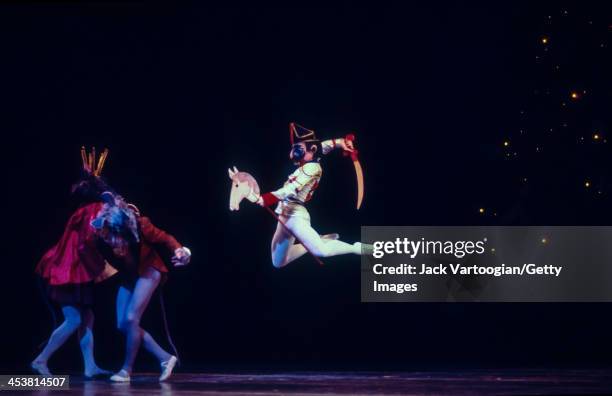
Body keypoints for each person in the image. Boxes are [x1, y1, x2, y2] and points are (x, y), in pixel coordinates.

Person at [89, 192, 191, 382]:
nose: (110, 241)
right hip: (129, 277)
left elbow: (165, 238)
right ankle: (165, 358)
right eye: (107, 236)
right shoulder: (102, 234)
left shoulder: (141, 225)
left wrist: (181, 250)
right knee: (122, 324)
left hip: (150, 270)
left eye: (114, 237)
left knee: (131, 318)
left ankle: (126, 370)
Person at [32, 147, 113, 378]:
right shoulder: (92, 211)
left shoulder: (87, 209)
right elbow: (85, 242)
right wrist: (101, 266)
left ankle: (90, 366)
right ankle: (40, 360)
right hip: (65, 270)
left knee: (87, 317)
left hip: (74, 269)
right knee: (74, 318)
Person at [256, 123, 367, 268]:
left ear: (311, 150)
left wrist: (265, 198)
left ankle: (356, 248)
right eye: (294, 148)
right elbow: (322, 146)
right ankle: (315, 240)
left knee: (323, 251)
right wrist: (341, 142)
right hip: (284, 211)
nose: (294, 153)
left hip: (295, 215)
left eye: (299, 149)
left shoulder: (312, 168)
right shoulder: (310, 155)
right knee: (278, 262)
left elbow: (291, 189)